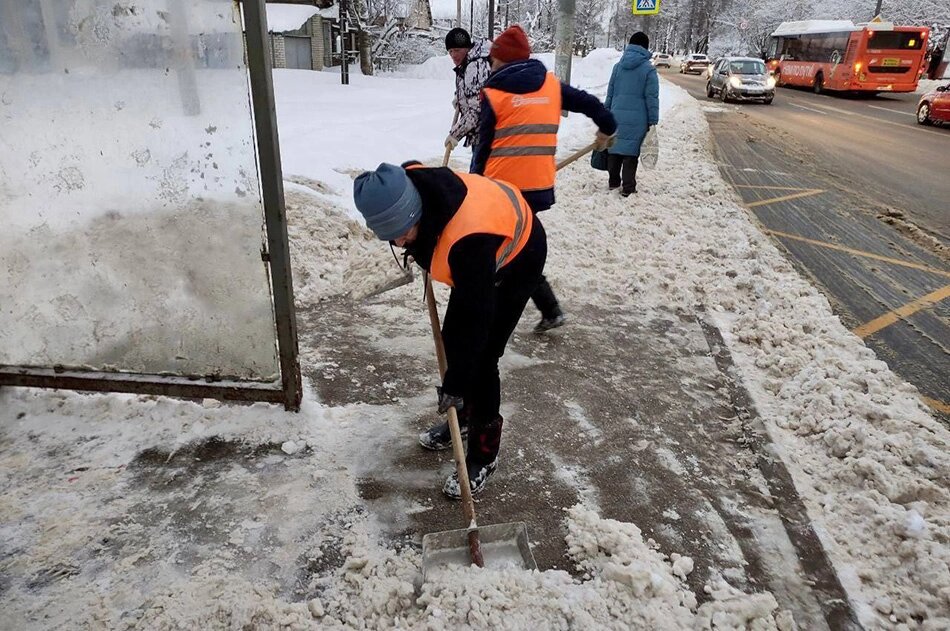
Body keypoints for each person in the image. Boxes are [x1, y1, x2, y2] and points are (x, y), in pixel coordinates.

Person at [353, 162, 546, 498]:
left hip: (520, 256)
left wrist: (454, 384)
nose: (399, 241)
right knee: (453, 340)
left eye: (404, 231)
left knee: (483, 359)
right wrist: (419, 243)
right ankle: (464, 418)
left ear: (416, 211)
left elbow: (478, 321)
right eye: (391, 236)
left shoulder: (468, 243)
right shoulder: (409, 183)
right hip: (481, 249)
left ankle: (484, 454)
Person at [471, 25, 616, 332]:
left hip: (501, 192)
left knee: (502, 254)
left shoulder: (494, 94)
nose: (490, 64)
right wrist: (607, 127)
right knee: (518, 249)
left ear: (503, 59)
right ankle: (548, 310)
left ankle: (492, 316)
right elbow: (590, 104)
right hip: (536, 187)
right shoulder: (551, 86)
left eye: (493, 59)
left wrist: (474, 186)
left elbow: (483, 147)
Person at [604, 32, 659, 197]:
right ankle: (628, 187)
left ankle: (613, 182)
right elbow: (652, 97)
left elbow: (610, 93)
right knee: (630, 153)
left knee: (614, 149)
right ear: (645, 47)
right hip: (638, 119)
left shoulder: (618, 67)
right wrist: (652, 120)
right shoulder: (649, 70)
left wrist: (606, 113)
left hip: (616, 115)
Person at [444, 28, 492, 153]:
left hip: (485, 137)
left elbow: (477, 110)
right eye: (450, 51)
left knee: (479, 167)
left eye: (457, 50)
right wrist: (460, 97)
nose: (453, 55)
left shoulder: (474, 66)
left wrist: (455, 134)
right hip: (484, 136)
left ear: (467, 48)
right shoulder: (469, 64)